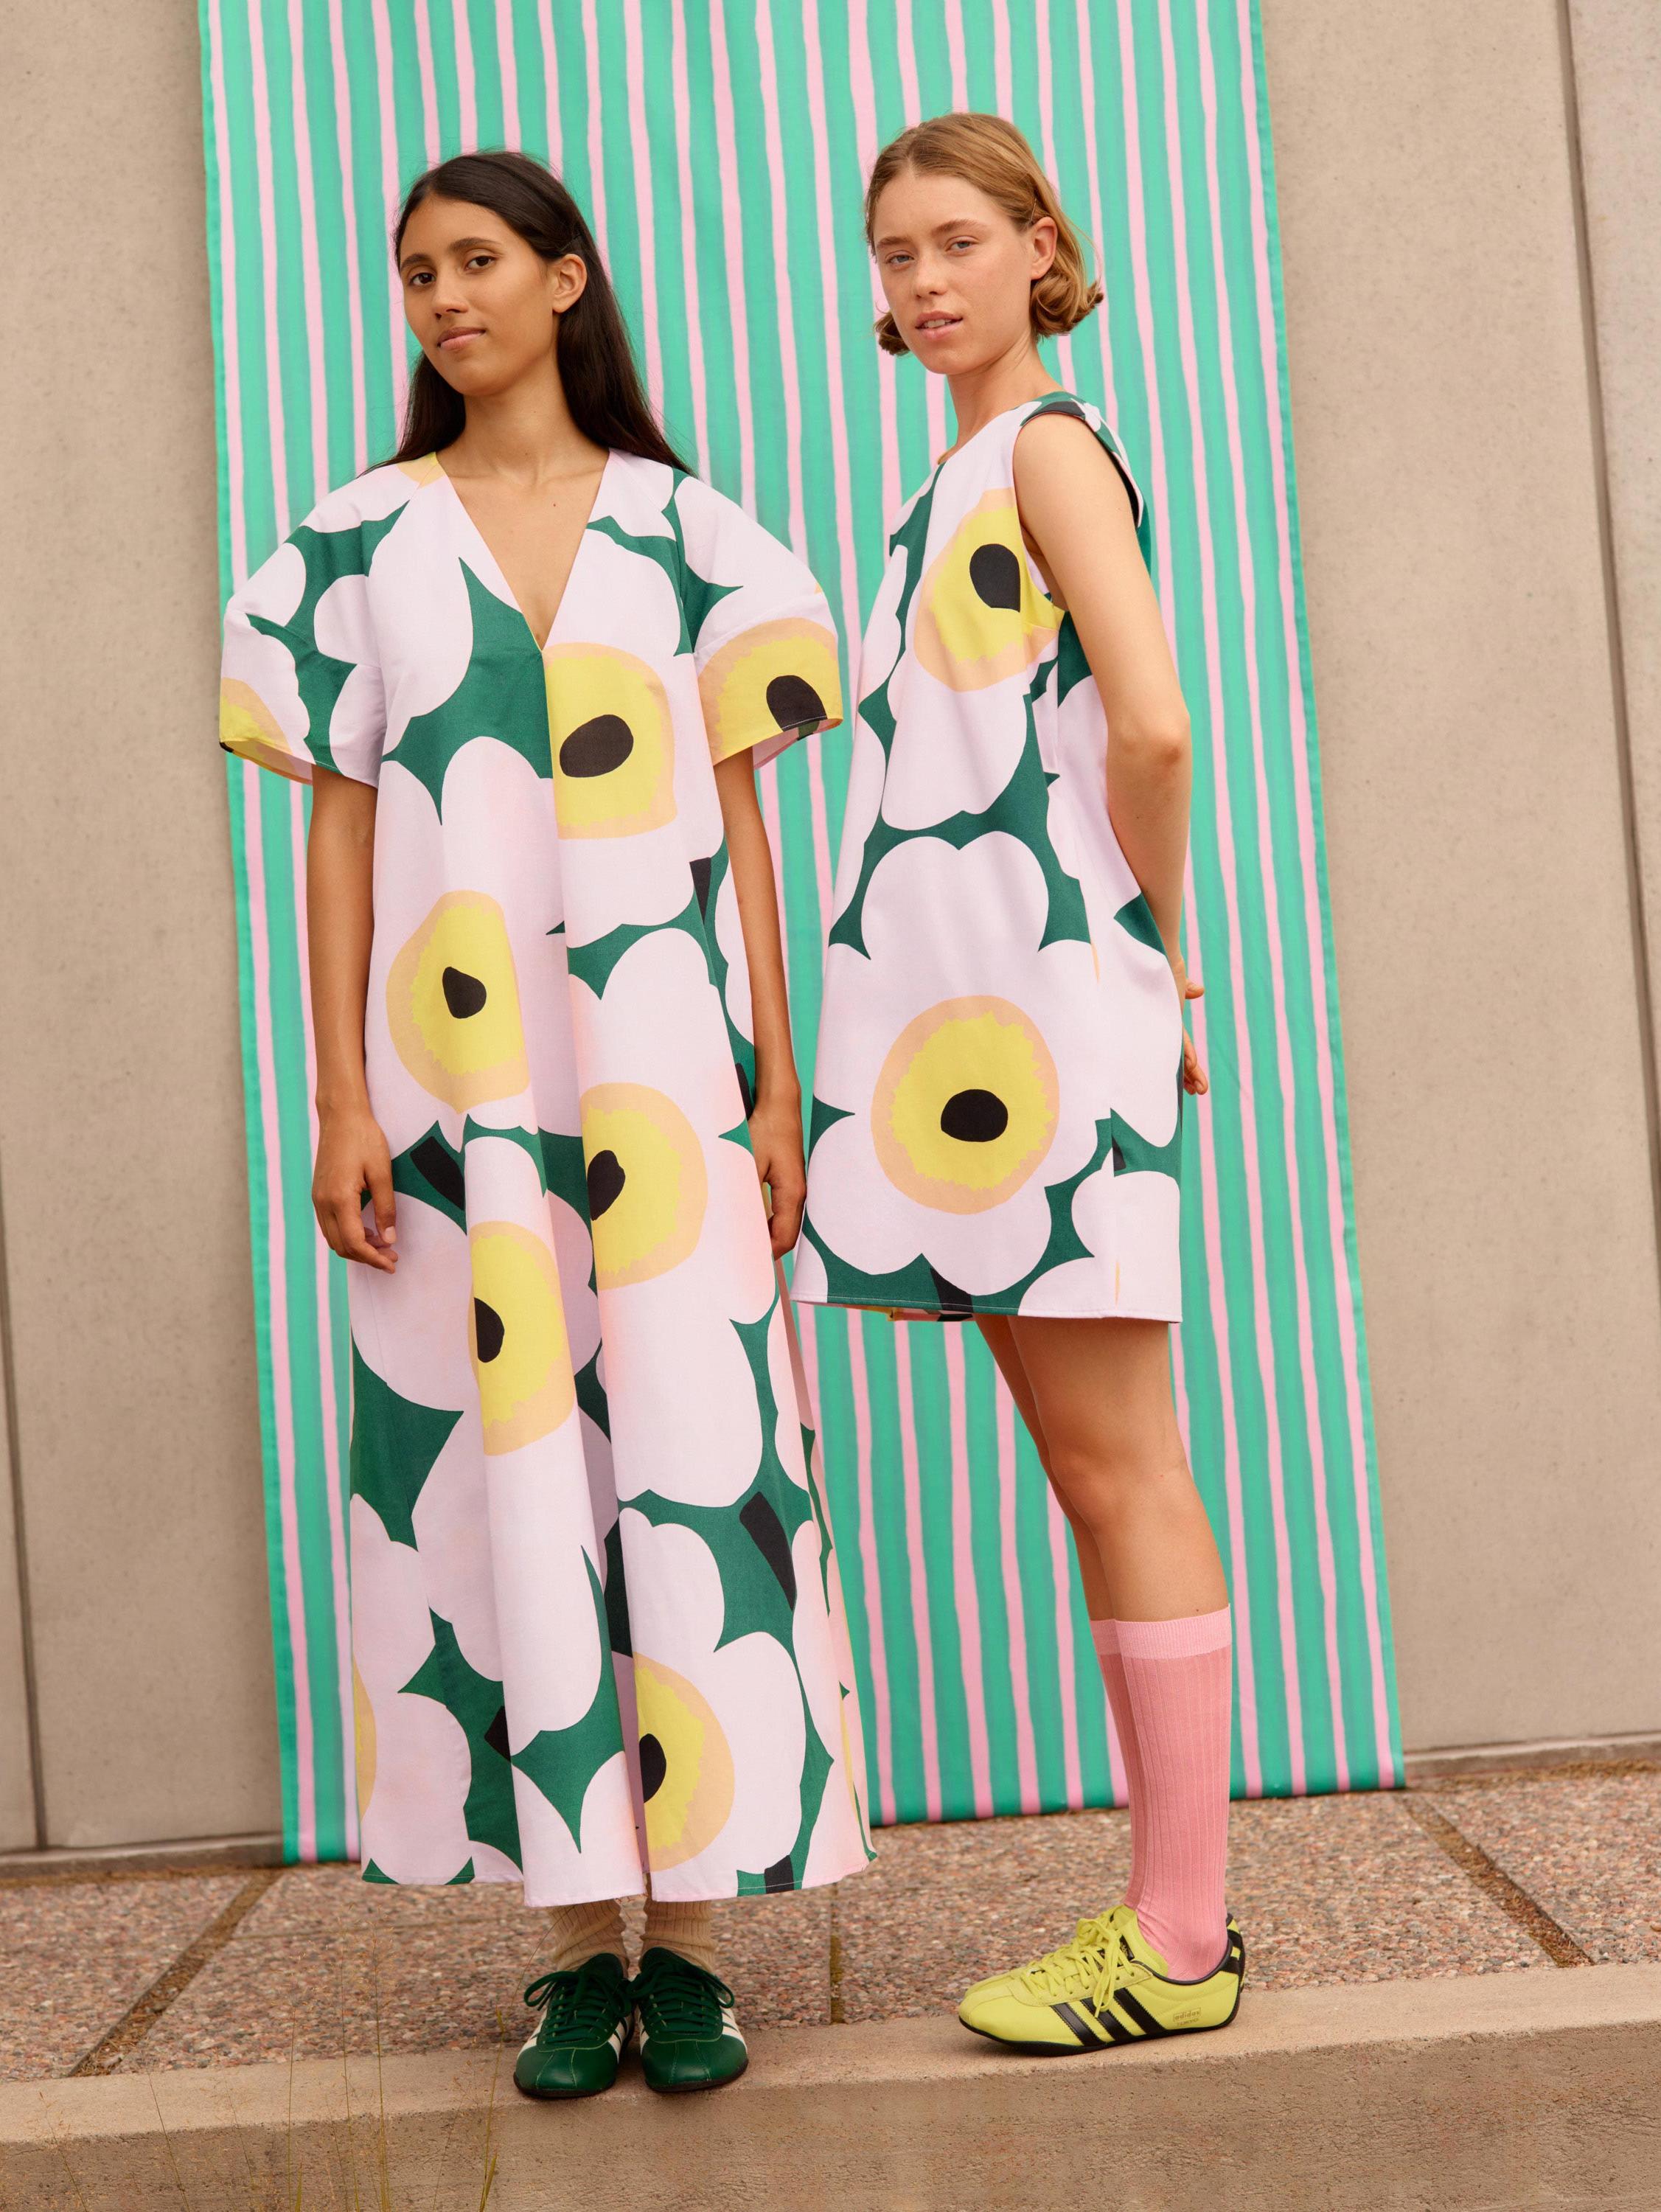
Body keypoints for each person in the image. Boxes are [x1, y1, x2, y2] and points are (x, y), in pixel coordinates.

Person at [218, 148, 871, 2101]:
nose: (444, 297)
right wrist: (338, 1090)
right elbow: (340, 830)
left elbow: (746, 818)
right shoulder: (344, 549)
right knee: (495, 1480)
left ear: (568, 279)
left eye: (479, 261)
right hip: (453, 1107)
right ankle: (578, 1945)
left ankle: (701, 1944)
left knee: (686, 1461)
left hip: (667, 1085)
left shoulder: (700, 541)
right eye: (417, 271)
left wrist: (777, 1080)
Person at [796, 113, 1244, 2050]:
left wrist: (1160, 950)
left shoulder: (1046, 450)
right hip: (966, 1043)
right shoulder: (954, 476)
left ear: (1040, 248)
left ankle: (1181, 1939)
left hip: (1042, 1030)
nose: (922, 281)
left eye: (958, 241)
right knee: (1087, 1465)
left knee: (1122, 1460)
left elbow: (1150, 719)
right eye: (895, 253)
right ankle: (1169, 1919)